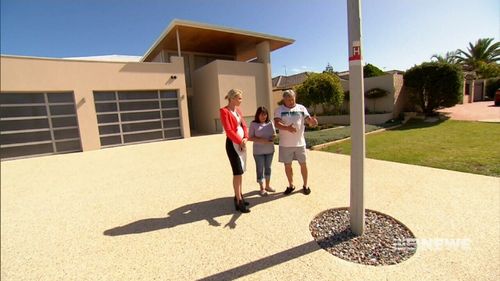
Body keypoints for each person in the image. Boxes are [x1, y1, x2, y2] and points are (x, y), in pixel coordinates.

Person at [274, 89, 318, 195]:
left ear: (295, 98)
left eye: (292, 99)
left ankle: (305, 185)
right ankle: (291, 185)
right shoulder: (279, 110)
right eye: (288, 99)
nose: (291, 101)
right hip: (285, 144)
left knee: (303, 164)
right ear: (284, 99)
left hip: (300, 143)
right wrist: (287, 128)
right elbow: (276, 123)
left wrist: (313, 122)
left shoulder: (301, 108)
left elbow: (308, 120)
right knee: (287, 166)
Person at [219, 88, 250, 213]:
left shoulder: (238, 111)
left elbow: (244, 126)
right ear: (232, 98)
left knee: (240, 171)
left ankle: (239, 196)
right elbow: (229, 130)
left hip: (241, 143)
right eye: (239, 98)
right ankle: (238, 201)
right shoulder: (224, 111)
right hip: (233, 145)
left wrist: (246, 138)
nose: (241, 100)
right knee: (237, 172)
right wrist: (240, 141)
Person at [248, 106, 276, 196]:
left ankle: (267, 186)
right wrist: (261, 140)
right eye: (261, 115)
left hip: (270, 150)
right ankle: (262, 188)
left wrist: (273, 137)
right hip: (258, 152)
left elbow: (274, 134)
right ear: (258, 115)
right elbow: (250, 137)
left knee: (268, 168)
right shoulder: (253, 124)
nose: (263, 116)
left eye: (265, 115)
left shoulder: (270, 123)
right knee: (260, 169)